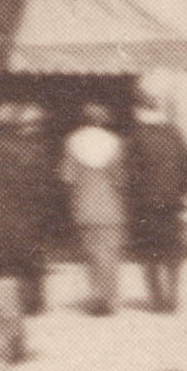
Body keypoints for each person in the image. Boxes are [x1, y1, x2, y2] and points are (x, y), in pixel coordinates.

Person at [0, 99, 58, 313]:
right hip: (30, 210)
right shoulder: (39, 148)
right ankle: (34, 301)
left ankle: (15, 302)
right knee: (31, 255)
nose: (35, 128)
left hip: (6, 210)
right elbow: (46, 182)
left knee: (10, 259)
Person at [59, 102, 127, 314]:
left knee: (91, 254)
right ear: (103, 120)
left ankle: (97, 297)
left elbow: (67, 177)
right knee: (110, 254)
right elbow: (120, 179)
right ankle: (110, 299)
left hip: (84, 205)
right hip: (110, 207)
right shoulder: (115, 142)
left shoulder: (72, 142)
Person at [128, 92, 187, 312]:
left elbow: (131, 175)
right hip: (172, 202)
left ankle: (156, 299)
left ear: (140, 109)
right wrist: (179, 192)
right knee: (172, 251)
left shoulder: (137, 136)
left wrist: (136, 198)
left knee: (149, 252)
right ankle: (173, 297)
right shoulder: (174, 132)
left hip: (146, 203)